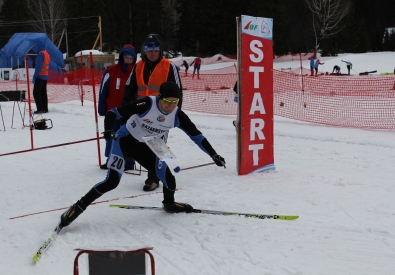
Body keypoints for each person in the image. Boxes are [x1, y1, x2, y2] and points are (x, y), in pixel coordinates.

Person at [59, 81, 226, 229]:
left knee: (169, 180)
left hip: (148, 145)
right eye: (168, 101)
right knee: (112, 182)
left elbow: (196, 136)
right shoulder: (147, 104)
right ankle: (77, 207)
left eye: (175, 102)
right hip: (124, 141)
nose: (171, 106)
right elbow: (113, 113)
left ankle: (169, 204)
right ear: (160, 97)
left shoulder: (177, 115)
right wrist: (109, 129)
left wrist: (213, 154)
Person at [121, 33, 183, 192]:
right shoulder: (138, 66)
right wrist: (124, 109)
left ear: (160, 50)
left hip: (162, 113)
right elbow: (129, 89)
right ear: (144, 51)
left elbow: (178, 92)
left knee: (157, 146)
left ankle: (154, 178)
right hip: (141, 112)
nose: (153, 52)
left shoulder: (169, 66)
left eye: (156, 49)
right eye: (149, 49)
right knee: (137, 142)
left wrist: (174, 115)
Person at [98, 44, 137, 171]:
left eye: (131, 58)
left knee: (128, 137)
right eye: (126, 57)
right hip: (113, 111)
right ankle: (110, 160)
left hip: (129, 112)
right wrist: (102, 108)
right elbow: (103, 90)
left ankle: (129, 162)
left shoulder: (136, 72)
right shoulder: (110, 70)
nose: (129, 60)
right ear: (121, 57)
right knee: (111, 136)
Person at [32, 42, 50, 114]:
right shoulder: (46, 54)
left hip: (40, 76)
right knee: (43, 93)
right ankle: (45, 108)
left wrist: (34, 77)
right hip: (45, 75)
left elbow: (38, 67)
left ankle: (40, 109)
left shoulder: (40, 54)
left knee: (36, 92)